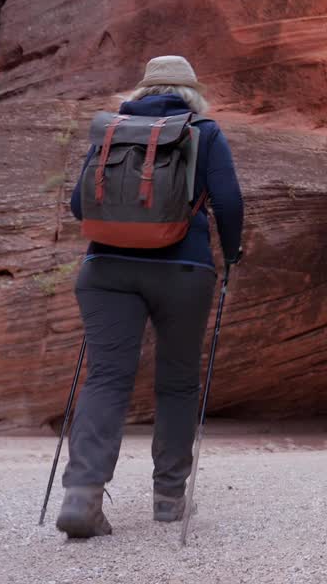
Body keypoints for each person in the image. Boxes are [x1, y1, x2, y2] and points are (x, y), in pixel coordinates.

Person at [55, 55, 243, 538]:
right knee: (177, 383)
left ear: (143, 89)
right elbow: (228, 200)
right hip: (185, 269)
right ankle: (168, 498)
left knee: (105, 380)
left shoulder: (111, 130)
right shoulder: (206, 130)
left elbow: (79, 204)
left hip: (106, 269)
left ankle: (82, 496)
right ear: (191, 93)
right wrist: (234, 254)